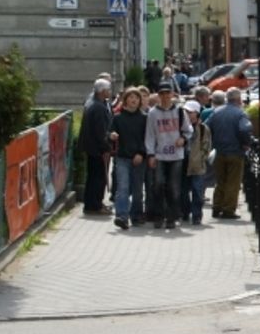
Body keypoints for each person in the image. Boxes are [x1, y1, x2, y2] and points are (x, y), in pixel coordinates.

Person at [145, 81, 193, 230]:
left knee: (174, 187)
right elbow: (150, 135)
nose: (165, 96)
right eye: (162, 94)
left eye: (168, 93)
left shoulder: (179, 111)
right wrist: (151, 154)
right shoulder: (153, 113)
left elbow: (188, 130)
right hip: (159, 155)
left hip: (176, 155)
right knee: (158, 184)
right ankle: (159, 216)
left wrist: (183, 139)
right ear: (158, 96)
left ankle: (171, 216)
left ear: (172, 94)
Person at [205, 88, 252, 220]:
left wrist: (213, 142)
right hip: (235, 152)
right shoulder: (240, 114)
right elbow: (244, 129)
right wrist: (246, 143)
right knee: (233, 182)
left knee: (220, 181)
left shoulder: (216, 112)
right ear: (238, 99)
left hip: (219, 152)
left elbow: (206, 127)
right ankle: (228, 210)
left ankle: (216, 207)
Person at [108, 87, 147, 229]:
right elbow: (110, 132)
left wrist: (141, 153)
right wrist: (112, 135)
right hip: (122, 157)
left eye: (136, 98)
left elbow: (147, 139)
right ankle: (122, 216)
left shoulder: (144, 118)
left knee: (137, 189)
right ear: (125, 100)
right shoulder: (118, 118)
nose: (134, 100)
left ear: (140, 101)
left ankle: (136, 215)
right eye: (131, 97)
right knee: (123, 187)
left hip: (138, 158)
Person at [79, 78, 114, 215]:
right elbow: (100, 131)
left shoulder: (91, 102)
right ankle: (95, 205)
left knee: (92, 176)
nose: (110, 92)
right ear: (103, 91)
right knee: (99, 178)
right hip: (97, 149)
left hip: (91, 147)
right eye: (108, 90)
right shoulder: (99, 107)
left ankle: (90, 204)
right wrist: (106, 147)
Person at [182, 100, 211, 225]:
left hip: (197, 165)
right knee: (182, 191)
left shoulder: (204, 129)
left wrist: (201, 157)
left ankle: (197, 215)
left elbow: (207, 146)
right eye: (186, 111)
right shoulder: (180, 127)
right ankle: (185, 212)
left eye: (190, 112)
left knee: (197, 191)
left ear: (197, 113)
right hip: (182, 163)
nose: (188, 114)